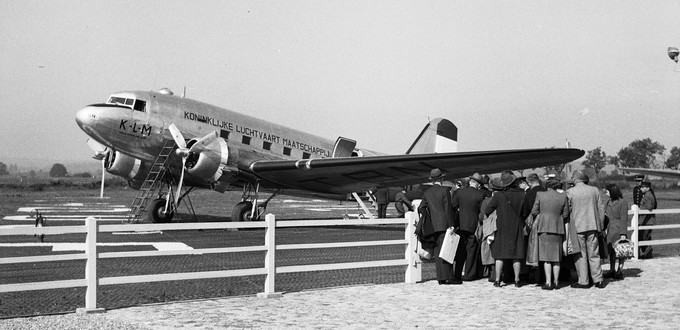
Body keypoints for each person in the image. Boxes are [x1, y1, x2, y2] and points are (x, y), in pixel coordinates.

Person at [483, 171, 526, 287]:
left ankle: (497, 280)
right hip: (517, 226)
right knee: (516, 255)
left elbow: (487, 210)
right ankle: (517, 280)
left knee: (500, 254)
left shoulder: (498, 196)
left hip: (502, 226)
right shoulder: (522, 195)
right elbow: (525, 212)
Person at [418, 168, 458, 285]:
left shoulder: (427, 193)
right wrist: (451, 225)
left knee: (437, 251)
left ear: (432, 180)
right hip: (444, 224)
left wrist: (429, 217)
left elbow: (421, 208)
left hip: (432, 226)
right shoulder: (445, 191)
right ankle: (448, 277)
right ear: (441, 179)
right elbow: (448, 209)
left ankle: (440, 277)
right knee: (446, 250)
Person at [566, 170, 605, 289]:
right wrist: (601, 225)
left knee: (580, 254)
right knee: (594, 253)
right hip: (592, 225)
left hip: (577, 226)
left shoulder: (570, 192)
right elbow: (601, 208)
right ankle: (598, 279)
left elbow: (567, 210)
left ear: (575, 179)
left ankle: (583, 281)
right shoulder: (594, 190)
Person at [531, 177, 569, 290]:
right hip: (557, 227)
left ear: (547, 185)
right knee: (556, 257)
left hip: (544, 227)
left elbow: (534, 211)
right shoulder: (563, 196)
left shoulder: (540, 195)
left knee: (546, 257)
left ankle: (548, 282)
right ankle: (556, 281)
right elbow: (566, 213)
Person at [452, 173, 491, 281]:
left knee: (460, 251)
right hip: (473, 226)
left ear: (470, 181)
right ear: (478, 184)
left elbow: (453, 207)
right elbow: (481, 213)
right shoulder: (480, 195)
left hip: (460, 225)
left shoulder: (459, 192)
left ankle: (457, 274)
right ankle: (469, 274)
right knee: (471, 251)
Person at [521, 173, 547, 284]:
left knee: (532, 250)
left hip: (532, 225)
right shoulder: (545, 191)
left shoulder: (529, 194)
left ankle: (531, 276)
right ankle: (543, 277)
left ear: (530, 182)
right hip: (545, 223)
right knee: (544, 251)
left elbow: (525, 211)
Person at [603, 184, 629, 279]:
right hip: (609, 229)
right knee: (611, 251)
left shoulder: (623, 202)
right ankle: (612, 269)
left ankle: (619, 270)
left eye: (607, 191)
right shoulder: (607, 202)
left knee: (620, 250)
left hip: (618, 229)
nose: (606, 193)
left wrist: (623, 234)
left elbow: (624, 218)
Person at [638, 181, 656, 259]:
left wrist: (640, 209)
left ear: (647, 188)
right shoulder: (647, 194)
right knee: (644, 237)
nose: (641, 188)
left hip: (646, 221)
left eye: (643, 187)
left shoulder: (648, 195)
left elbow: (649, 207)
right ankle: (646, 253)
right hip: (646, 220)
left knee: (644, 237)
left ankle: (647, 254)